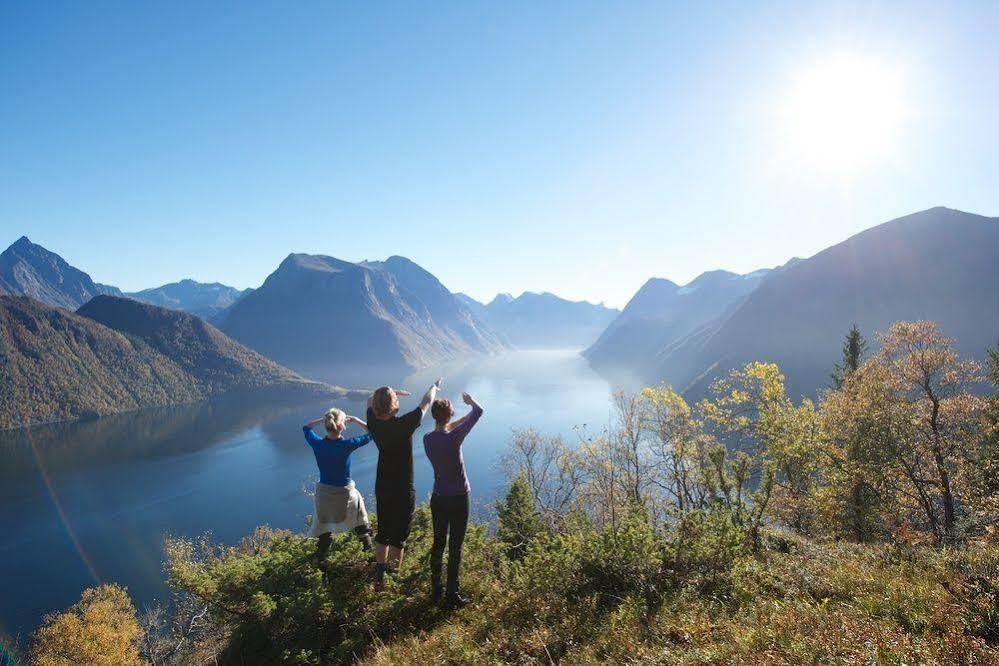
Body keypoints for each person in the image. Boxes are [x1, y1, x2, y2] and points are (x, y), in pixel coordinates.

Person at [366, 379, 442, 587]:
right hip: (402, 488)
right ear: (393, 405)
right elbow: (426, 402)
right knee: (399, 537)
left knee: (383, 532)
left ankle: (380, 578)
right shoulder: (404, 425)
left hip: (382, 486)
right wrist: (434, 387)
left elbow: (369, 401)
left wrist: (386, 395)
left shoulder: (373, 422)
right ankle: (392, 579)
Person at [423, 392, 483, 608]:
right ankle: (452, 594)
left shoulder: (427, 439)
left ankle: (436, 589)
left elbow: (447, 427)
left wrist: (457, 418)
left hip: (438, 499)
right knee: (455, 547)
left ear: (435, 417)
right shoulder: (454, 437)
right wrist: (470, 402)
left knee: (438, 544)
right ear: (449, 416)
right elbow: (479, 412)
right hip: (458, 498)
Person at [302, 408, 373, 569]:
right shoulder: (347, 444)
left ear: (327, 424)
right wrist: (355, 420)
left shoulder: (317, 444)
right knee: (361, 520)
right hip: (344, 494)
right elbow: (371, 433)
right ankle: (371, 560)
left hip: (324, 495)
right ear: (342, 426)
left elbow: (306, 428)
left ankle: (320, 569)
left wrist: (323, 419)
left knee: (325, 532)